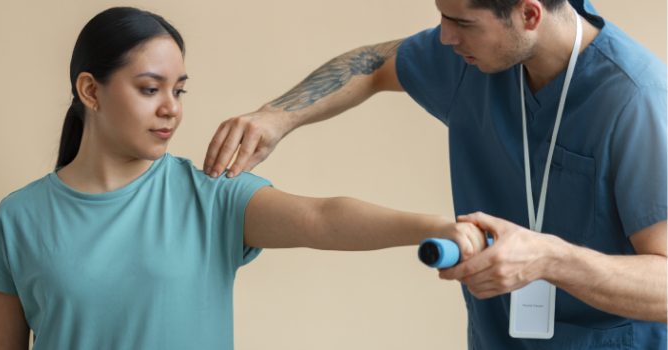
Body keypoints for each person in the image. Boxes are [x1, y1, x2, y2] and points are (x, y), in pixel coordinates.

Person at [0, 7, 485, 349]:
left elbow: (320, 219)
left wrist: (431, 226)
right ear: (91, 91)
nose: (171, 109)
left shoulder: (208, 195)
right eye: (150, 89)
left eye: (179, 90)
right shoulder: (18, 219)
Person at [203, 0, 667, 348]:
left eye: (462, 23)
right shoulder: (477, 60)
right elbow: (374, 64)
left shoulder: (636, 100)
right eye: (443, 16)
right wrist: (277, 116)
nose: (444, 37)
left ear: (529, 15)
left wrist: (549, 259)